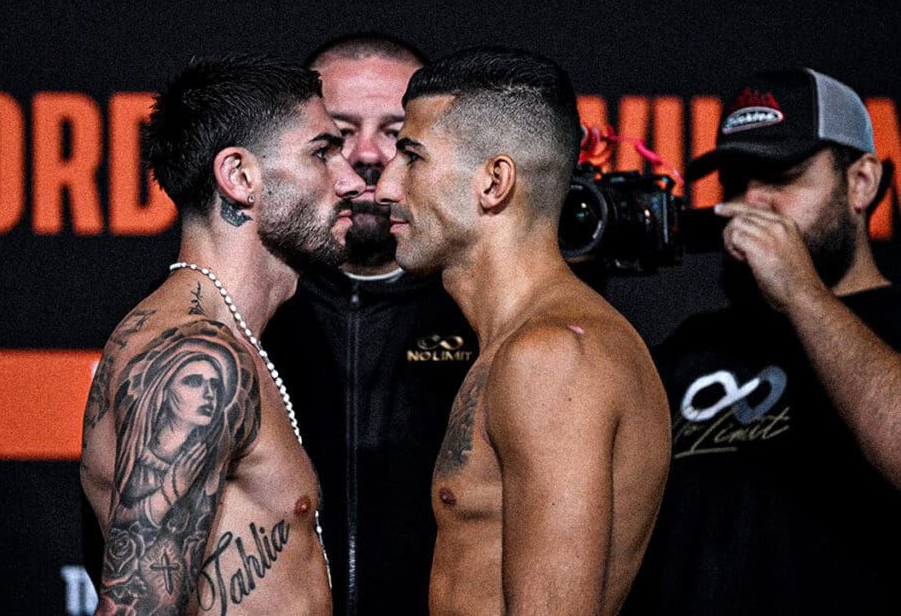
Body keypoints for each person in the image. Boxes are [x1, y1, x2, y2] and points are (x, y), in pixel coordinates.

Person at [374, 46, 671, 615]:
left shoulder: (553, 355)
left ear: (494, 182)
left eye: (411, 157)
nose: (386, 186)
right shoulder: (525, 345)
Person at [79, 53, 365, 615]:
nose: (353, 180)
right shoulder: (197, 360)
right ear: (239, 177)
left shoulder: (224, 343)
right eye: (322, 152)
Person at [623, 68, 901, 615]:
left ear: (861, 182)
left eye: (781, 176)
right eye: (735, 180)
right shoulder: (691, 346)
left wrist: (802, 294)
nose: (749, 202)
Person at [261, 33, 478, 616]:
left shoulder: (492, 312)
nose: (366, 154)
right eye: (337, 131)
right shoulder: (241, 313)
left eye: (396, 132)